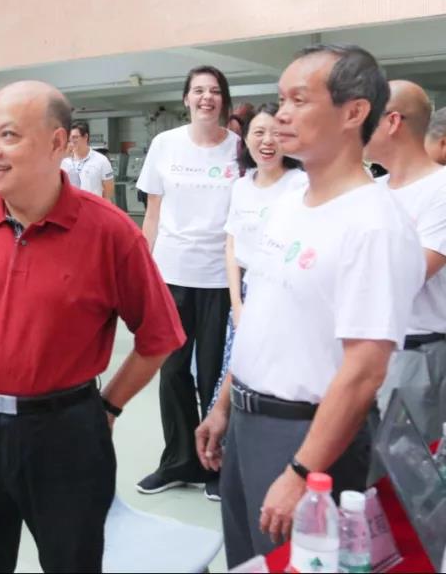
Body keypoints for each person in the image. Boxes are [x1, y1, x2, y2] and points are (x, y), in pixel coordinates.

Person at [0, 81, 185, 573]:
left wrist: (108, 405)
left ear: (58, 142)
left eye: (9, 135)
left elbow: (159, 337)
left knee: (72, 560)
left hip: (67, 432)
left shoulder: (110, 232)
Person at [196, 45, 425, 567]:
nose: (281, 115)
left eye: (299, 100)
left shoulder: (374, 225)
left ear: (353, 112)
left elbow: (364, 370)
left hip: (307, 438)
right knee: (249, 562)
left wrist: (302, 472)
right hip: (249, 423)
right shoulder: (288, 205)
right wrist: (224, 405)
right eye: (281, 100)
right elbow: (262, 318)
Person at [136, 65, 240, 502]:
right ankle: (179, 461)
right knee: (173, 370)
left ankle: (216, 464)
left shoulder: (239, 148)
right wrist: (143, 272)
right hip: (171, 273)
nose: (206, 98)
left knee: (214, 375)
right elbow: (153, 214)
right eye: (198, 90)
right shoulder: (165, 144)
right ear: (186, 98)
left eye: (214, 91)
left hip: (220, 276)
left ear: (223, 99)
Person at [364, 80, 446, 442]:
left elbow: (412, 274)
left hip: (418, 352)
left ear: (393, 121)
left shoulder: (440, 189)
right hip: (368, 347)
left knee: (405, 462)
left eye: (366, 117)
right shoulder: (372, 190)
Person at [213, 104, 306, 411]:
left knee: (275, 384)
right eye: (259, 132)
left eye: (276, 133)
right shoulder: (241, 185)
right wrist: (237, 306)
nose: (267, 141)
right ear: (246, 139)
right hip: (246, 294)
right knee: (237, 379)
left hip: (286, 298)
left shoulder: (300, 184)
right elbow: (231, 247)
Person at [60, 120, 115, 201]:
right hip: (70, 206)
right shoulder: (64, 161)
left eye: (75, 137)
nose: (72, 141)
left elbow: (108, 192)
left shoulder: (101, 160)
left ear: (85, 137)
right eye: (69, 138)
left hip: (92, 206)